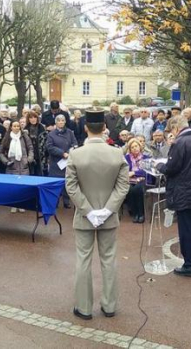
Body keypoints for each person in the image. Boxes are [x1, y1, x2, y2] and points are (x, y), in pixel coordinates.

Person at [64, 107, 129, 320]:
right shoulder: (117, 153)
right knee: (109, 260)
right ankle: (109, 306)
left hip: (84, 217)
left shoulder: (75, 154)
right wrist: (107, 210)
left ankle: (83, 308)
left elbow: (71, 187)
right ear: (104, 128)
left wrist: (89, 212)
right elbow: (123, 186)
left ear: (85, 128)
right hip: (109, 217)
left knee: (83, 260)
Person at [158, 115, 191, 278]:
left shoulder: (180, 143)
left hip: (185, 191)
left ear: (175, 128)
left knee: (187, 228)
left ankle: (190, 265)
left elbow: (172, 168)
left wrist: (160, 165)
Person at [47, 114, 78, 208]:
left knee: (67, 182)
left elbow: (75, 144)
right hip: (56, 162)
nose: (61, 122)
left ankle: (66, 201)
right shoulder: (51, 134)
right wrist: (62, 153)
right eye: (59, 121)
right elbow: (49, 147)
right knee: (55, 183)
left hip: (67, 161)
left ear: (65, 122)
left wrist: (68, 153)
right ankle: (55, 202)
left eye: (62, 120)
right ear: (56, 122)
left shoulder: (70, 132)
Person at [123, 139, 150, 223]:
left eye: (136, 146)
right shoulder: (126, 158)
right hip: (130, 180)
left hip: (142, 179)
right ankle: (135, 213)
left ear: (140, 147)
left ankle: (141, 214)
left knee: (138, 189)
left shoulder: (146, 157)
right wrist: (129, 174)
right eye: (132, 147)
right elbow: (124, 170)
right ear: (130, 149)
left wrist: (134, 172)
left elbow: (146, 171)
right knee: (130, 190)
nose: (135, 148)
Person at [24, 111, 47, 176]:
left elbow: (45, 141)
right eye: (31, 118)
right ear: (28, 119)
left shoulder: (41, 127)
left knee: (41, 172)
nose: (33, 119)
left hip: (41, 154)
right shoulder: (25, 129)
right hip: (29, 153)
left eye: (34, 117)